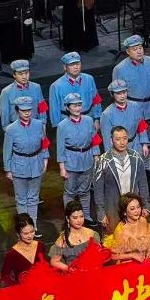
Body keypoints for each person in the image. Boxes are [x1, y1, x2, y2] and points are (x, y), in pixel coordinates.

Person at [2, 95, 49, 230]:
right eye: (23, 110)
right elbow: (7, 151)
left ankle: (33, 225)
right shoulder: (11, 129)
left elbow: (44, 143)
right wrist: (8, 169)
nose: (27, 113)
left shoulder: (38, 124)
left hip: (36, 163)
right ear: (17, 111)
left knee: (33, 197)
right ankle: (24, 226)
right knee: (21, 199)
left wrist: (45, 159)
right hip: (19, 165)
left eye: (29, 110)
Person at [93, 128, 150, 229]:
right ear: (111, 140)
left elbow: (143, 184)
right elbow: (98, 190)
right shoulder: (103, 161)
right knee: (114, 235)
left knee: (135, 235)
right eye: (118, 139)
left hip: (133, 207)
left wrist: (146, 205)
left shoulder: (136, 157)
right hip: (112, 207)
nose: (122, 142)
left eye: (124, 138)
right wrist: (101, 213)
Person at [56, 94, 101, 223]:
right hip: (71, 161)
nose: (77, 108)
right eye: (74, 106)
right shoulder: (62, 126)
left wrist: (96, 155)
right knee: (70, 192)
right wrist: (62, 168)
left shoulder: (89, 120)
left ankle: (86, 216)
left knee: (85, 191)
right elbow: (60, 148)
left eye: (79, 105)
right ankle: (69, 218)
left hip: (87, 159)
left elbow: (94, 139)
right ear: (68, 108)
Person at [48, 51, 101, 128]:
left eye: (78, 64)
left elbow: (96, 100)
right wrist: (58, 127)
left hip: (89, 119)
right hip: (67, 123)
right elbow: (54, 110)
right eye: (72, 64)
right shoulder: (56, 86)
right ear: (65, 67)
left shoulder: (89, 79)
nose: (76, 67)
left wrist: (97, 119)